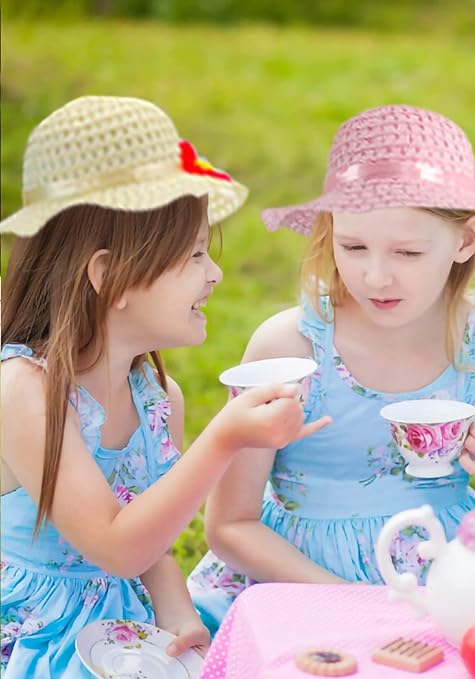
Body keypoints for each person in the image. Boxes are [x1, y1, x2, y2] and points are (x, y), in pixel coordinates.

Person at [187, 104, 475, 634]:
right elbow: (230, 525)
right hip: (296, 583)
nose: (377, 276)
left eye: (408, 253)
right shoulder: (289, 346)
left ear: (467, 240)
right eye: (353, 246)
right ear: (329, 232)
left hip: (446, 584)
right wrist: (355, 603)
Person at [0, 96, 329, 678]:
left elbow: (147, 544)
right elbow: (116, 544)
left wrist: (176, 608)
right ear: (108, 276)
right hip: (33, 636)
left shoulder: (157, 399)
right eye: (196, 254)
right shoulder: (24, 390)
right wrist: (224, 440)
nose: (216, 272)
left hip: (121, 633)